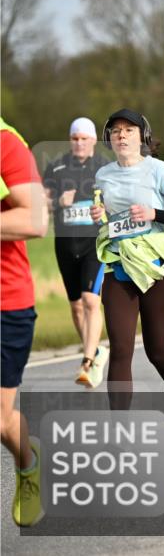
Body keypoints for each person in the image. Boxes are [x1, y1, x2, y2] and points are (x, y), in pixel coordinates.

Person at [90, 109, 164, 435]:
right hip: (120, 267)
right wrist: (100, 215)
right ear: (109, 138)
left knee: (157, 352)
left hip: (156, 269)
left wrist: (153, 212)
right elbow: (106, 218)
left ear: (143, 137)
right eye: (116, 130)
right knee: (120, 350)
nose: (122, 135)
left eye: (129, 130)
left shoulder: (159, 170)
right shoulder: (103, 176)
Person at [1, 116, 49, 526]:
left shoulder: (6, 143)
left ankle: (27, 463)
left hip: (6, 303)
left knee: (1, 420)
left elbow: (34, 220)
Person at [42, 117, 111, 388]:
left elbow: (118, 200)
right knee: (75, 306)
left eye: (84, 138)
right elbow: (42, 202)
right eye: (75, 138)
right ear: (70, 140)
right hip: (65, 243)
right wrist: (58, 201)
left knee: (90, 300)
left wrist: (105, 210)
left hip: (94, 244)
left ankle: (87, 361)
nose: (79, 143)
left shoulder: (105, 168)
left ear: (93, 140)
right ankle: (95, 352)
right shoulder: (56, 166)